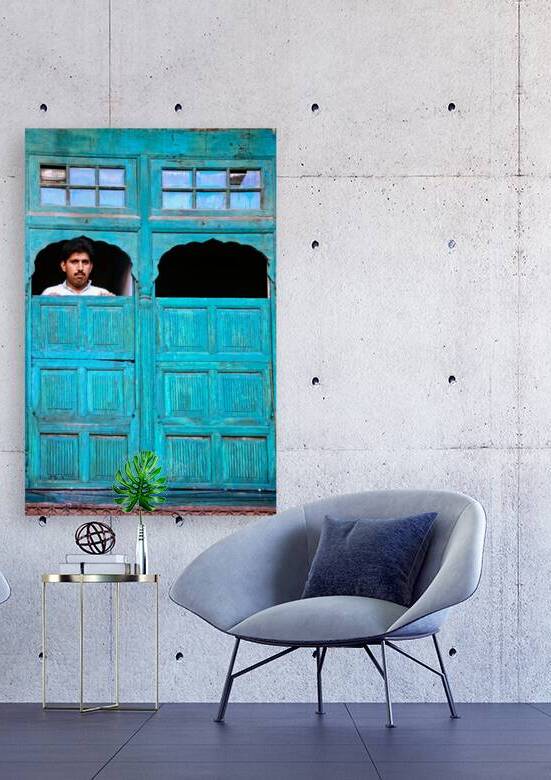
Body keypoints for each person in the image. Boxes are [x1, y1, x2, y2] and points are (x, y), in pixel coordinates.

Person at [41, 237, 115, 296]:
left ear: (91, 267)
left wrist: (111, 302)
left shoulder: (101, 295)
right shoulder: (50, 294)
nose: (80, 268)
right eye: (74, 262)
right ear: (63, 266)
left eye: (85, 262)